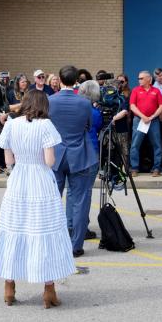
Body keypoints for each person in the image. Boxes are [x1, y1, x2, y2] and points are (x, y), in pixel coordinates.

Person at [0, 90, 74, 308]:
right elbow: (49, 161)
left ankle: (9, 287)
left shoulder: (11, 124)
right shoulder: (45, 126)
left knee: (14, 228)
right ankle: (48, 289)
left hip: (19, 180)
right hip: (40, 180)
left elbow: (8, 160)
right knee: (44, 230)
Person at [48, 65, 98, 257]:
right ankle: (76, 245)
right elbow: (88, 125)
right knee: (80, 201)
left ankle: (52, 241)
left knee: (52, 200)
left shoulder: (50, 100)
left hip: (56, 155)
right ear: (76, 81)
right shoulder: (84, 103)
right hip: (80, 155)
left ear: (59, 80)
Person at [128, 71, 162, 175]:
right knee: (135, 144)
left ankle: (156, 168)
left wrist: (152, 116)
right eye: (139, 78)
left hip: (153, 121)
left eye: (141, 78)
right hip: (139, 120)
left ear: (148, 79)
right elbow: (132, 106)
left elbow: (161, 106)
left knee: (156, 144)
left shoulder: (156, 91)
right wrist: (143, 116)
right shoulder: (135, 90)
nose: (139, 80)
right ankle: (134, 168)